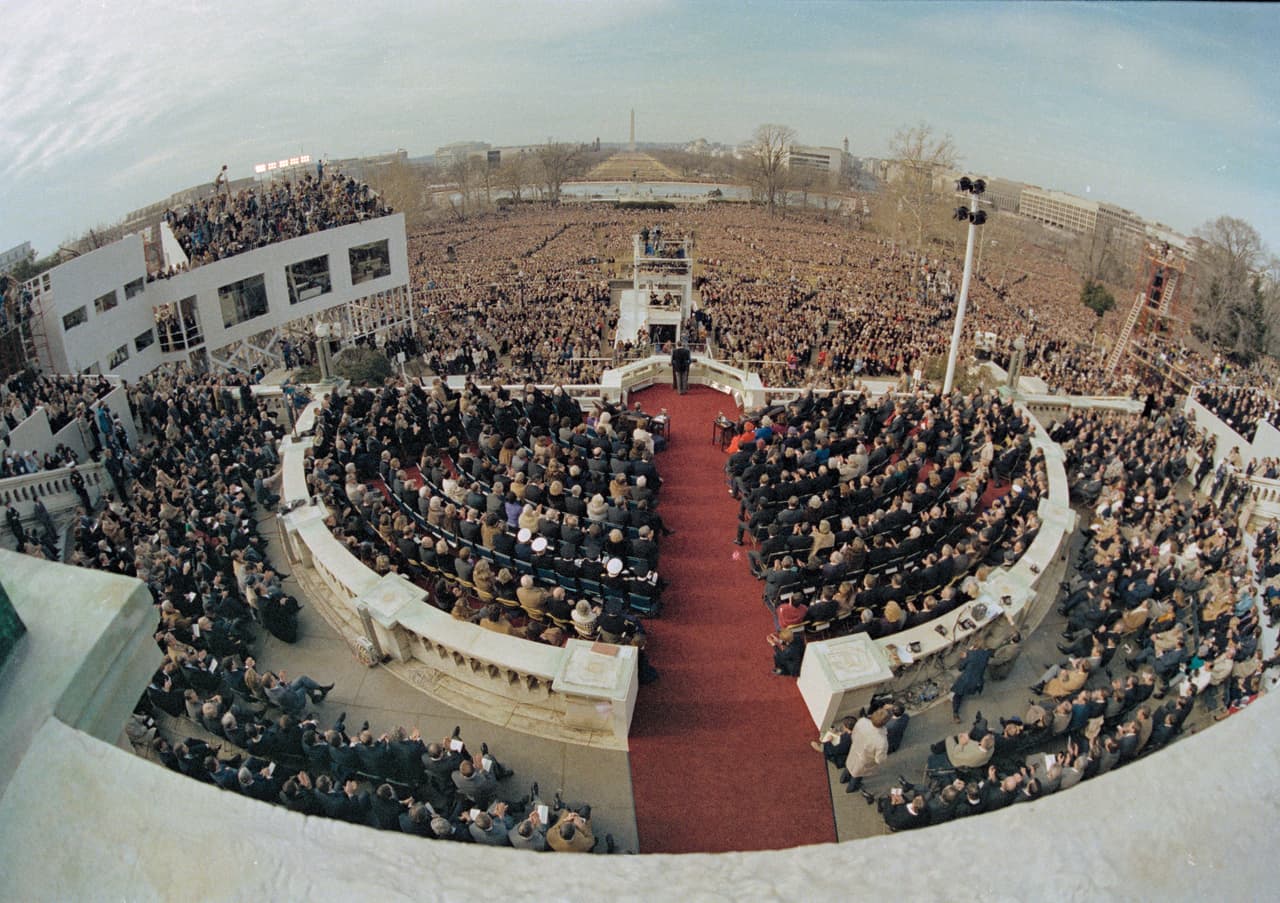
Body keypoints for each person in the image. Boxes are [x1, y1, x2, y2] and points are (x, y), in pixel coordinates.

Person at [839, 707, 891, 799]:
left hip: (854, 752)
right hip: (865, 762)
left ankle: (842, 779)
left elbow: (853, 735)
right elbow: (879, 759)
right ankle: (851, 788)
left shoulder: (862, 721)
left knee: (848, 767)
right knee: (857, 776)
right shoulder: (882, 741)